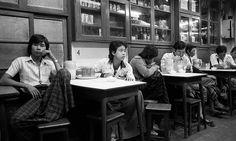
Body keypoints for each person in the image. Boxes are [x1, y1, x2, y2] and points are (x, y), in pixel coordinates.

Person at [0, 34, 75, 141]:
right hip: (34, 97)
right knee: (16, 121)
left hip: (50, 94)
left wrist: (53, 58)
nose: (39, 48)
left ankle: (52, 115)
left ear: (46, 49)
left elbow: (63, 76)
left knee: (64, 72)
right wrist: (26, 85)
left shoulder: (49, 63)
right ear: (30, 46)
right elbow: (3, 80)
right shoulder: (21, 61)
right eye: (35, 45)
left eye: (42, 45)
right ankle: (54, 116)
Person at [94, 40, 144, 141]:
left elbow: (131, 78)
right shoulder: (103, 63)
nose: (124, 53)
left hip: (121, 98)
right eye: (121, 51)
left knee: (138, 94)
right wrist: (102, 75)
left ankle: (131, 132)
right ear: (113, 52)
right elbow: (91, 73)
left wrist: (130, 78)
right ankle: (112, 133)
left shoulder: (127, 66)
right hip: (106, 97)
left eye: (125, 51)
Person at [160, 41, 215, 126]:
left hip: (186, 82)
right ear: (174, 50)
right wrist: (174, 63)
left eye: (183, 52)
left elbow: (190, 69)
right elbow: (163, 70)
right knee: (199, 90)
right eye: (179, 51)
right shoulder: (167, 56)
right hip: (172, 83)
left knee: (204, 87)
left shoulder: (185, 57)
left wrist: (189, 68)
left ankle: (199, 114)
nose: (181, 54)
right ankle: (197, 114)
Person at [185, 44, 228, 115]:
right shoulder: (185, 58)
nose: (194, 53)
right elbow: (193, 69)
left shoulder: (189, 58)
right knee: (212, 81)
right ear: (188, 51)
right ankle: (216, 102)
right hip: (190, 81)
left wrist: (206, 75)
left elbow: (194, 69)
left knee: (209, 86)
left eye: (195, 51)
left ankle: (213, 107)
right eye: (193, 51)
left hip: (193, 78)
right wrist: (207, 75)